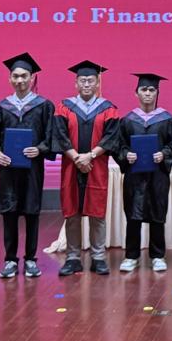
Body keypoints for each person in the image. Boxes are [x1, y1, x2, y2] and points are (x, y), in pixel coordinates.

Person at [0, 52, 54, 279]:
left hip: (32, 169)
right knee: (10, 212)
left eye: (24, 76)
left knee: (32, 212)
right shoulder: (2, 107)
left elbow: (51, 136)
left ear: (32, 78)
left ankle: (31, 259)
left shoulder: (44, 106)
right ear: (9, 79)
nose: (20, 80)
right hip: (8, 169)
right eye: (15, 76)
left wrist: (40, 149)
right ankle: (10, 259)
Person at [104, 73, 172, 273]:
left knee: (157, 215)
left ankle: (157, 256)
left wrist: (164, 154)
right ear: (136, 93)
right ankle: (131, 256)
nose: (147, 93)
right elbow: (118, 146)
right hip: (134, 176)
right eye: (144, 89)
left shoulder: (167, 119)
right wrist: (126, 155)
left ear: (157, 93)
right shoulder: (127, 120)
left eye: (151, 90)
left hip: (158, 175)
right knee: (133, 215)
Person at [52, 59, 117, 277]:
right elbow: (60, 135)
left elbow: (111, 137)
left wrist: (90, 155)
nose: (87, 84)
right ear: (76, 83)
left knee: (97, 213)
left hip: (96, 166)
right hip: (71, 166)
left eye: (90, 80)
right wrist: (76, 157)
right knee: (72, 213)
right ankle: (73, 258)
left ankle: (98, 257)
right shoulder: (64, 107)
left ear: (98, 83)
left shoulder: (108, 109)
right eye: (83, 80)